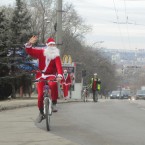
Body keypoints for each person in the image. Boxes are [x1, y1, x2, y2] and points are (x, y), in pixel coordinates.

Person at [25, 36, 63, 123]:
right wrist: (30, 43)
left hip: (51, 75)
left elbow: (59, 66)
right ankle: (41, 112)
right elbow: (30, 51)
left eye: (54, 45)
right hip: (41, 76)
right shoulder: (41, 52)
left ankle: (53, 103)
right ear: (47, 45)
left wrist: (60, 75)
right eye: (51, 44)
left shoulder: (56, 56)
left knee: (53, 84)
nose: (52, 46)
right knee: (40, 96)